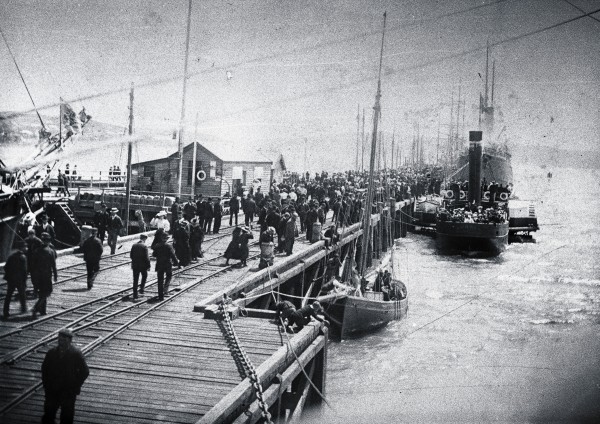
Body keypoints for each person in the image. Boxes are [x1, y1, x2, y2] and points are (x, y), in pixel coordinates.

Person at [41, 327, 89, 424]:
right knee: (48, 415)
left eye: (64, 339)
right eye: (59, 339)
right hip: (52, 390)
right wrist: (47, 385)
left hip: (68, 391)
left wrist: (75, 385)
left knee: (67, 417)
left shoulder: (75, 354)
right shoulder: (51, 353)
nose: (61, 341)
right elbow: (44, 369)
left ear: (69, 341)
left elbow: (85, 371)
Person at [31, 233, 58, 318]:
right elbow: (53, 265)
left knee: (41, 292)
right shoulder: (51, 251)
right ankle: (36, 308)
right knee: (46, 292)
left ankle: (43, 311)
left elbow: (33, 264)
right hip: (46, 275)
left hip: (37, 276)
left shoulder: (36, 251)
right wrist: (55, 275)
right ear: (49, 241)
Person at [3, 240, 28, 319]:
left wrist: (9, 275)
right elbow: (24, 271)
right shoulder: (23, 257)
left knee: (8, 295)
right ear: (22, 248)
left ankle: (5, 311)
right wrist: (25, 281)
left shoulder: (11, 256)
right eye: (25, 247)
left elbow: (6, 267)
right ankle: (24, 309)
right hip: (19, 280)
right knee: (22, 294)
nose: (26, 248)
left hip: (11, 279)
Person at [152, 232, 179, 300]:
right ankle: (165, 290)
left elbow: (154, 255)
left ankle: (160, 296)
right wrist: (177, 263)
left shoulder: (157, 245)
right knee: (169, 276)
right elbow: (173, 255)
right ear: (166, 239)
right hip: (167, 264)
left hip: (159, 264)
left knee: (160, 280)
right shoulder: (169, 246)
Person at [130, 233, 151, 300]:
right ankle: (142, 289)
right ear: (145, 239)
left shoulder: (134, 245)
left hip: (135, 265)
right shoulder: (144, 246)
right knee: (144, 276)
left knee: (135, 280)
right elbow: (146, 257)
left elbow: (131, 256)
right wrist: (148, 265)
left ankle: (135, 294)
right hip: (143, 266)